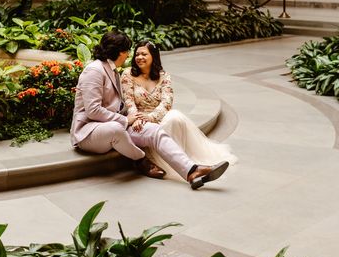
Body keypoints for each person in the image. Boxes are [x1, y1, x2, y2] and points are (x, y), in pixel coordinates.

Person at [70, 31, 229, 189]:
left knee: (154, 131)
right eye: (128, 51)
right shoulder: (94, 70)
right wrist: (127, 120)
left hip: (116, 126)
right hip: (89, 132)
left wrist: (137, 119)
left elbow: (120, 105)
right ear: (120, 52)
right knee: (116, 128)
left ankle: (191, 171)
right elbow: (93, 110)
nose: (129, 56)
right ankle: (141, 160)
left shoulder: (112, 70)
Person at [121, 39, 237, 181]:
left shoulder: (164, 76)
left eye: (144, 54)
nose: (139, 58)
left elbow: (167, 102)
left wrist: (152, 117)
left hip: (159, 117)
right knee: (158, 125)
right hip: (140, 121)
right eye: (137, 54)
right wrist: (137, 118)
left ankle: (190, 164)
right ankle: (189, 170)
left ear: (153, 56)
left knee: (175, 116)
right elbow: (129, 101)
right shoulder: (128, 75)